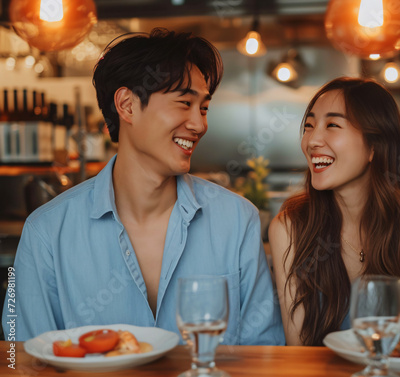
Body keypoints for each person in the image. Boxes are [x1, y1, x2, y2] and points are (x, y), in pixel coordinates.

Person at [3, 28, 285, 345]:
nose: (199, 124)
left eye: (204, 108)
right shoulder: (46, 233)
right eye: (184, 103)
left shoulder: (237, 220)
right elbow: (24, 359)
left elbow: (264, 353)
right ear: (127, 106)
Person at [269, 77, 400, 346]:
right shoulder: (290, 229)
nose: (312, 140)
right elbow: (300, 354)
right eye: (309, 125)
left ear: (375, 145)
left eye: (332, 125)